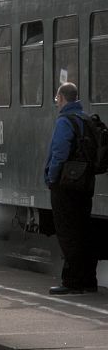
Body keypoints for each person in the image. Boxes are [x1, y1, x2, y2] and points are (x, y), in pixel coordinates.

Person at [45, 82, 98, 295]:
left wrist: (51, 178)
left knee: (68, 233)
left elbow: (59, 152)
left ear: (61, 98)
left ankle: (71, 281)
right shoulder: (86, 119)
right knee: (83, 230)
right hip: (85, 183)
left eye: (57, 98)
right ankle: (88, 280)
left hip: (66, 184)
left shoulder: (65, 121)